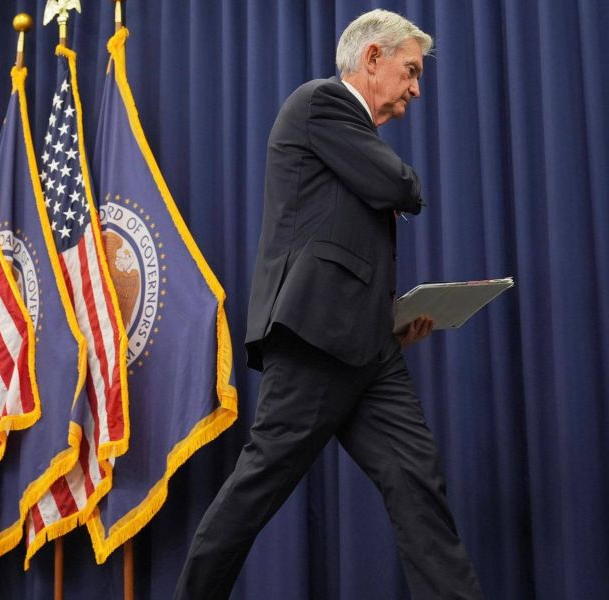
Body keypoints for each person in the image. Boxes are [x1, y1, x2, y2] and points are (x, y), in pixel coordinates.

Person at [173, 9, 483, 600]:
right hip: (315, 340)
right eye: (411, 71)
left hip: (371, 349)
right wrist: (406, 185)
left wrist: (389, 320)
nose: (416, 89)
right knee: (257, 487)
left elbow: (343, 236)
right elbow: (398, 185)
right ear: (372, 57)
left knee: (417, 482)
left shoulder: (349, 136)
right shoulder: (323, 103)